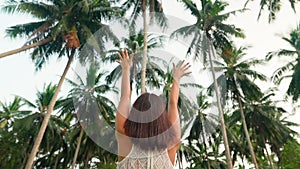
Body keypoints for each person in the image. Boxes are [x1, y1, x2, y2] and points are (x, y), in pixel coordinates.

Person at [115, 48, 191, 169]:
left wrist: (125, 69)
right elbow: (172, 104)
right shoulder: (172, 143)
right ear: (162, 117)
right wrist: (176, 78)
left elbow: (125, 97)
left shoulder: (124, 135)